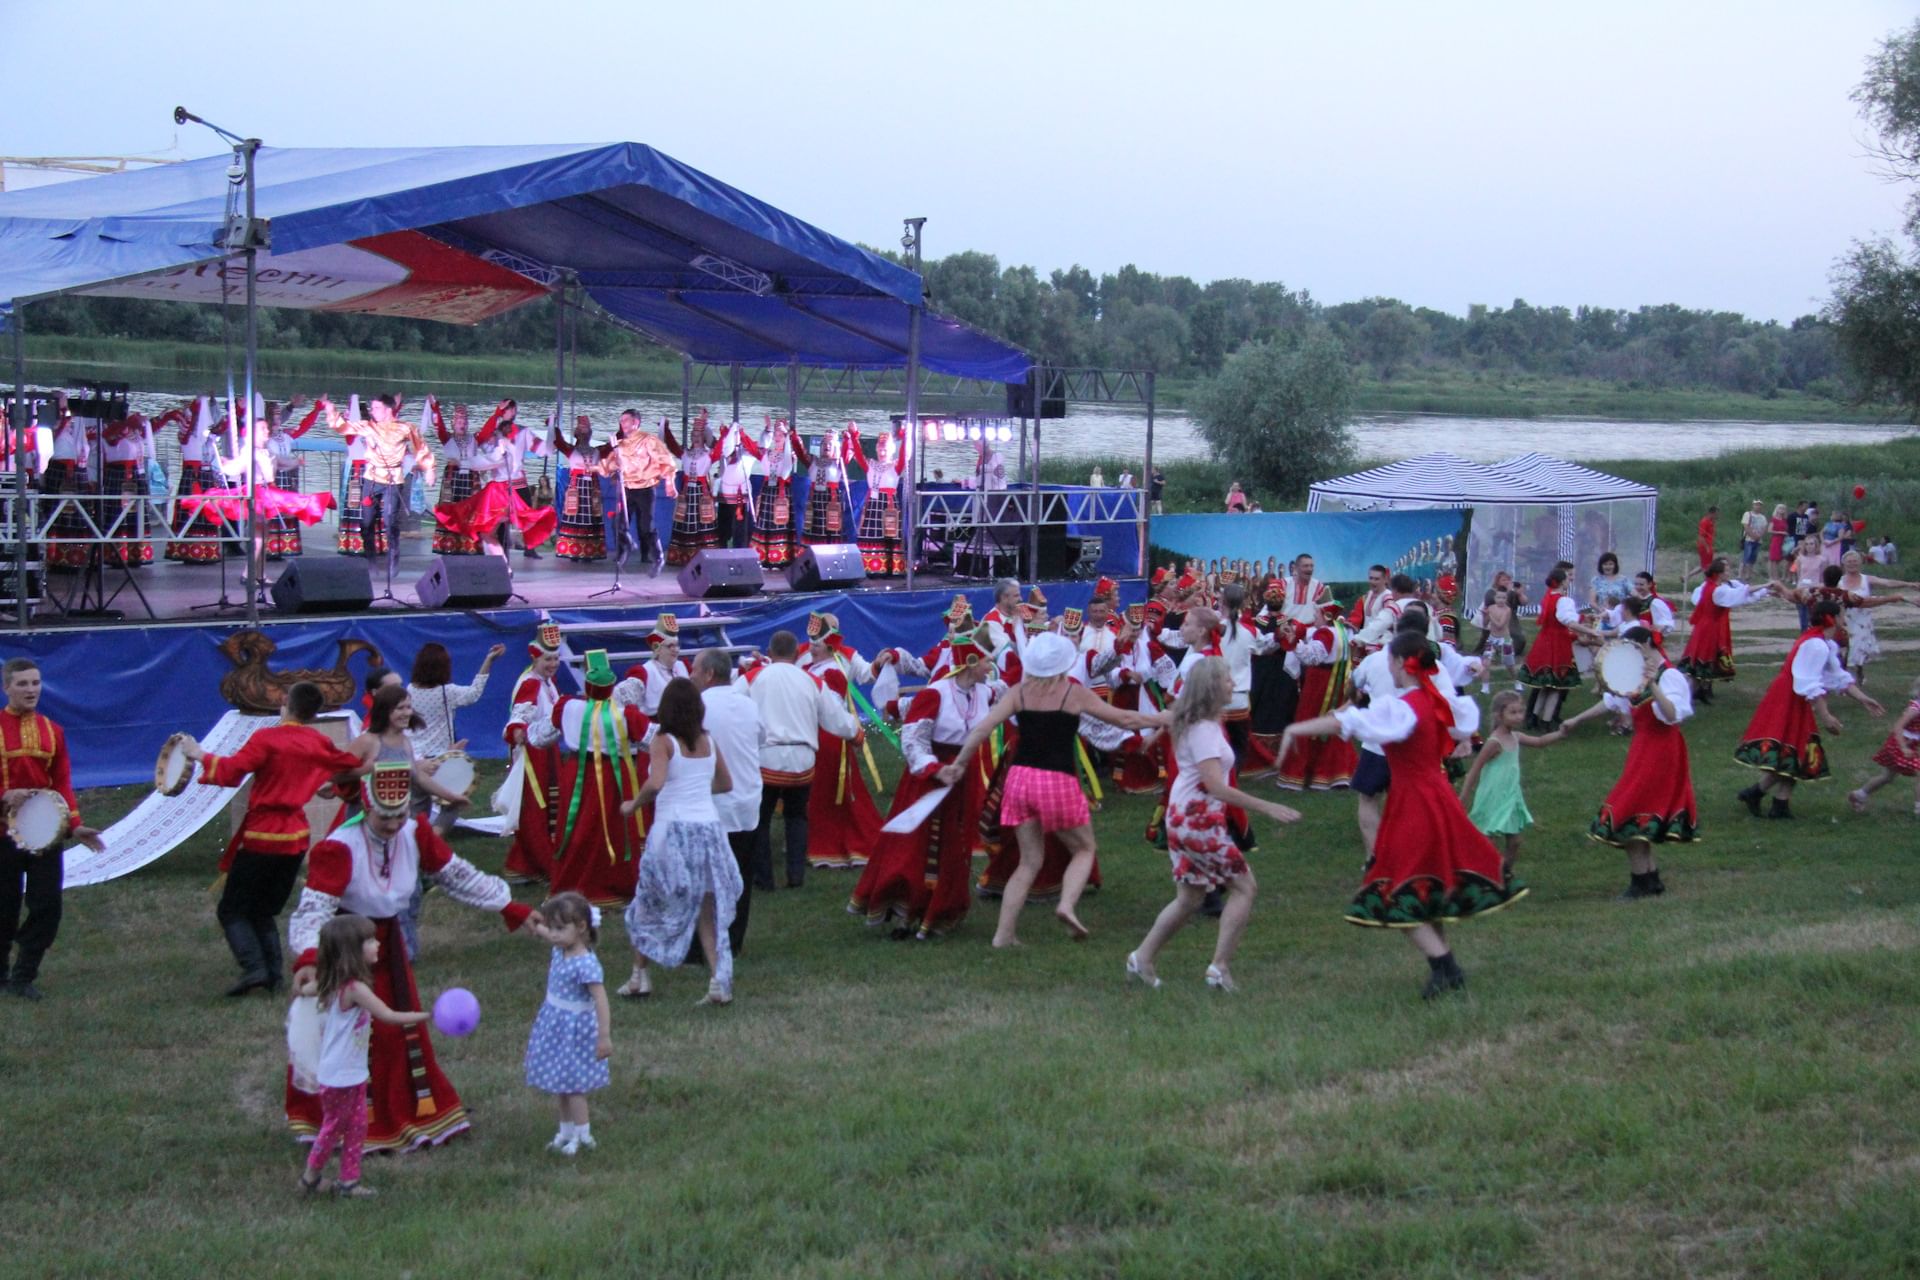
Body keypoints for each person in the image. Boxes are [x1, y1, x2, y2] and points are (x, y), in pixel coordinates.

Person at [287, 762, 533, 1151]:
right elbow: (314, 909)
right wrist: (309, 959)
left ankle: (407, 1110)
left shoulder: (416, 832)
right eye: (385, 816)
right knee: (353, 1035)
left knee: (396, 1035)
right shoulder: (338, 847)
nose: (393, 824)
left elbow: (456, 875)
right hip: (348, 947)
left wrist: (507, 906)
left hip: (388, 945)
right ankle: (351, 1120)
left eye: (399, 814)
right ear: (367, 808)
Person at [1280, 633, 1526, 1000]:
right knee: (1429, 888)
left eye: (1391, 661)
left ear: (1400, 663)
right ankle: (1443, 971)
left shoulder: (1405, 705)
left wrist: (1296, 727)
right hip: (1436, 796)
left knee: (1395, 892)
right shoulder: (1434, 699)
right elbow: (1457, 729)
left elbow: (1349, 722)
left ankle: (1447, 967)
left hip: (1416, 803)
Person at [936, 633, 1162, 947]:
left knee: (1028, 862)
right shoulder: (1074, 693)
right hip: (1058, 782)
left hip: (1019, 781)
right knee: (1083, 849)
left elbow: (982, 728)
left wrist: (960, 762)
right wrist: (1162, 717)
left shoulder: (1018, 692)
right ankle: (1067, 905)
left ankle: (1003, 935)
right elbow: (1124, 718)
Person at [183, 680, 369, 995]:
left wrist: (198, 753)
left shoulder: (268, 739)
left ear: (285, 702)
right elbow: (350, 766)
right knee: (265, 909)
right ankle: (273, 974)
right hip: (296, 839)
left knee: (232, 909)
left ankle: (254, 969)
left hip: (263, 836)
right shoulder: (317, 742)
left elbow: (231, 771)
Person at [1124, 657, 1299, 990]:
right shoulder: (1203, 729)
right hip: (1198, 819)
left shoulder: (1199, 721)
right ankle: (1219, 969)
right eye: (1227, 679)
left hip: (1185, 817)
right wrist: (1267, 806)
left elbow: (1168, 718)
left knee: (1189, 897)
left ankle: (1141, 959)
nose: (1233, 684)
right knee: (1245, 887)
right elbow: (1214, 785)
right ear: (1211, 687)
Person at [849, 628, 998, 938]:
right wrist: (936, 769)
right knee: (915, 845)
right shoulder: (935, 694)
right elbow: (914, 741)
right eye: (986, 661)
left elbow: (1013, 686)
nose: (990, 667)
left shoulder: (984, 692)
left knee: (953, 843)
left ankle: (943, 908)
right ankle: (907, 909)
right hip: (928, 778)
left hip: (962, 777)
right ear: (970, 663)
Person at [622, 677, 743, 1006]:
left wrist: (633, 805)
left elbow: (656, 782)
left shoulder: (663, 740)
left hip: (672, 829)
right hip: (709, 830)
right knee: (707, 909)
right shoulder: (708, 740)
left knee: (647, 901)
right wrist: (700, 792)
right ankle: (718, 980)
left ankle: (638, 976)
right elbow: (726, 783)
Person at [297, 914, 433, 1197]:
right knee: (334, 1127)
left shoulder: (332, 982)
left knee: (357, 1127)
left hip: (350, 1072)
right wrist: (428, 1016)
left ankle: (349, 1181)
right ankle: (310, 1178)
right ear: (351, 952)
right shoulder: (355, 989)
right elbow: (389, 1015)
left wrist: (302, 987)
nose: (377, 943)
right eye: (369, 940)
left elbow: (308, 989)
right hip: (340, 1076)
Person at [1564, 626, 1699, 898]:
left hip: (1662, 750)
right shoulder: (1636, 674)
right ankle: (1650, 879)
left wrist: (1652, 685)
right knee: (1641, 811)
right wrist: (1577, 719)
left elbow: (1673, 715)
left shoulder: (1669, 676)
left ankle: (1641, 883)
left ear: (1648, 644)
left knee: (1628, 810)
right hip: (1644, 748)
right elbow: (1613, 703)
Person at [0, 658, 102, 1001]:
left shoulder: (53, 730)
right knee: (4, 906)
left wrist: (74, 826)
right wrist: (5, 795)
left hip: (45, 833)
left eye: (36, 683)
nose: (31, 690)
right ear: (7, 688)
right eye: (23, 684)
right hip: (2, 835)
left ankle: (24, 974)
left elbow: (62, 782)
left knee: (47, 907)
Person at [1735, 600, 1886, 819]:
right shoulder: (1814, 645)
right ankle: (1772, 802)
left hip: (1794, 697)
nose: (1844, 619)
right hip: (1788, 698)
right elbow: (1809, 682)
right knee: (1792, 750)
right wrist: (1825, 715)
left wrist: (1863, 699)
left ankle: (1768, 799)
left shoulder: (1822, 643)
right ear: (1832, 618)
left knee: (1796, 751)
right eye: (1842, 615)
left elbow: (1837, 677)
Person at [536, 651, 648, 917]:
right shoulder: (625, 715)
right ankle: (612, 883)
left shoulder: (569, 707)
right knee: (614, 828)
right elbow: (650, 738)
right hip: (613, 776)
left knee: (575, 827)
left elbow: (541, 737)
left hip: (578, 775)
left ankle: (571, 881)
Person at [747, 630, 861, 890]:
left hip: (767, 759)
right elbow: (834, 714)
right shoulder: (812, 680)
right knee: (797, 817)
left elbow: (733, 704)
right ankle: (795, 876)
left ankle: (764, 879)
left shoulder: (754, 677)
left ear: (770, 651)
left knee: (761, 820)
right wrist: (855, 733)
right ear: (797, 652)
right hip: (802, 761)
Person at [522, 891, 612, 1157]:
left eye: (560, 928)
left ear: (581, 927)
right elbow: (545, 934)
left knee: (573, 1086)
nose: (555, 934)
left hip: (576, 1031)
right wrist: (533, 923)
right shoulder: (560, 948)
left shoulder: (585, 964)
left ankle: (584, 1136)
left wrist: (604, 1035)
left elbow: (601, 1000)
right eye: (553, 928)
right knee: (559, 1083)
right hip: (555, 1025)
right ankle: (565, 1131)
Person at [795, 613, 884, 871]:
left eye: (821, 639)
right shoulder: (803, 655)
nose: (813, 645)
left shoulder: (844, 659)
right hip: (808, 731)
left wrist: (881, 661)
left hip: (831, 733)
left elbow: (867, 674)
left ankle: (831, 841)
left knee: (833, 790)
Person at [691, 647, 764, 955]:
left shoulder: (698, 707)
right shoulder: (747, 704)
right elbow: (762, 737)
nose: (690, 675)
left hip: (713, 804)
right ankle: (732, 941)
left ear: (709, 674)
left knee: (703, 879)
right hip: (746, 803)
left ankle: (699, 947)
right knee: (740, 877)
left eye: (694, 669)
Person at [319, 395, 436, 585]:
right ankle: (371, 562)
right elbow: (343, 427)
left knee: (390, 522)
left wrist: (429, 469)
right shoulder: (368, 426)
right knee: (366, 524)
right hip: (371, 479)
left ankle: (393, 561)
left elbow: (420, 448)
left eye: (375, 408)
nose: (372, 411)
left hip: (392, 479)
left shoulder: (405, 428)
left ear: (388, 410)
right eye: (371, 408)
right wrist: (330, 410)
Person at [1458, 691, 1564, 880]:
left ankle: (1504, 873)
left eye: (1520, 712)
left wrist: (1561, 733)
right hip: (1493, 796)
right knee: (1489, 839)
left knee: (1515, 841)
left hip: (1511, 796)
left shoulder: (1516, 736)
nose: (1518, 716)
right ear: (1500, 715)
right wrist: (1464, 797)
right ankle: (1483, 877)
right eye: (1513, 712)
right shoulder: (1494, 742)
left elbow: (1539, 742)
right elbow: (1474, 770)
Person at [408, 642, 507, 828]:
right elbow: (474, 693)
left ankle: (416, 843)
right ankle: (434, 840)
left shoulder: (410, 691)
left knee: (417, 809)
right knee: (451, 806)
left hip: (416, 759)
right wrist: (489, 660)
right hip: (441, 759)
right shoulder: (448, 692)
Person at [502, 624, 566, 884]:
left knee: (546, 809)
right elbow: (519, 716)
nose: (553, 664)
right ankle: (540, 863)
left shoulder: (546, 682)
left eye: (556, 658)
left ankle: (524, 864)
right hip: (533, 756)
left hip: (547, 751)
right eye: (548, 659)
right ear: (535, 658)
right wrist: (517, 730)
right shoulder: (530, 684)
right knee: (535, 811)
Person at [1677, 557, 1771, 703]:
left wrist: (1765, 590)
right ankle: (1684, 699)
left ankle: (1698, 692)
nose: (1729, 572)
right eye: (1726, 570)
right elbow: (1741, 593)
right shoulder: (1718, 590)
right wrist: (1767, 584)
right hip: (1709, 629)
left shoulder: (1712, 586)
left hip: (1707, 627)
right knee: (1699, 664)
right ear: (1719, 573)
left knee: (1702, 662)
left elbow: (1741, 592)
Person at [1518, 567, 1602, 730]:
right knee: (1556, 686)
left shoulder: (1549, 596)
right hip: (1557, 644)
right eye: (1567, 578)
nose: (1569, 580)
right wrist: (1590, 630)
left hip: (1544, 641)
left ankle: (1535, 718)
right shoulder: (1564, 600)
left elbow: (1560, 617)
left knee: (1545, 686)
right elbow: (1568, 621)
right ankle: (1547, 721)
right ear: (1563, 581)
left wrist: (1584, 618)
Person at [600, 410, 675, 574]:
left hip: (645, 489)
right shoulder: (620, 444)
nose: (622, 424)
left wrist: (669, 482)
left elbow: (665, 461)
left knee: (646, 525)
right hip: (627, 488)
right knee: (619, 521)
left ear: (635, 423)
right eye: (621, 421)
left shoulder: (648, 441)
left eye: (626, 420)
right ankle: (624, 550)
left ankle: (656, 556)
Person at [1838, 550, 1916, 684]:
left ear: (1860, 563)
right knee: (1846, 649)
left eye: (1855, 561)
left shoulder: (1866, 579)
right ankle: (1846, 680)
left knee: (1859, 647)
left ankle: (1859, 671)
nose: (1852, 564)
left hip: (1862, 620)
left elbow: (1888, 583)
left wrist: (1908, 584)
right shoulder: (1839, 581)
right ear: (1843, 564)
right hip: (1845, 619)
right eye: (1849, 562)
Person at [1849, 677, 1920, 815]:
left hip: (1909, 745)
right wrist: (1903, 747)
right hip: (1900, 744)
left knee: (1888, 777)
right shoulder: (1915, 708)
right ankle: (1918, 808)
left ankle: (1859, 795)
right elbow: (1898, 726)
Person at [664, 410, 721, 565]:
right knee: (685, 521)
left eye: (698, 436)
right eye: (693, 435)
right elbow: (671, 445)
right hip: (687, 492)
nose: (695, 438)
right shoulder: (685, 453)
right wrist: (666, 429)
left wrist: (721, 430)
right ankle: (684, 556)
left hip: (701, 492)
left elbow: (722, 446)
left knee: (704, 521)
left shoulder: (709, 454)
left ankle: (705, 556)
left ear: (703, 437)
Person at [748, 416, 806, 568]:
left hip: (782, 492)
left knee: (780, 522)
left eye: (781, 435)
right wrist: (766, 429)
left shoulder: (789, 455)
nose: (777, 437)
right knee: (765, 522)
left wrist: (790, 436)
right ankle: (763, 557)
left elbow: (789, 461)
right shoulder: (767, 453)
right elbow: (756, 448)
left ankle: (781, 557)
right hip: (768, 490)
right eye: (776, 435)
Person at [551, 416, 607, 562]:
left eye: (586, 431)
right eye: (581, 431)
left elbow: (612, 447)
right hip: (576, 487)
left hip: (591, 487)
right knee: (574, 515)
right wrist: (553, 426)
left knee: (590, 517)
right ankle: (573, 549)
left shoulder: (597, 451)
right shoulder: (571, 450)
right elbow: (558, 442)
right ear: (577, 434)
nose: (584, 434)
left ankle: (589, 550)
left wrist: (620, 433)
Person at [1740, 500, 1768, 572]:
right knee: (1746, 557)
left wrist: (1759, 536)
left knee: (1753, 559)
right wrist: (1753, 536)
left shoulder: (1763, 517)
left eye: (1759, 505)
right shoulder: (1747, 514)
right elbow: (1746, 527)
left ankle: (1749, 574)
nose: (1758, 506)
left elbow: (1765, 528)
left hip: (1758, 540)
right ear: (1753, 505)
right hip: (1748, 539)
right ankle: (1740, 575)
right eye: (1756, 505)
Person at [1767, 503, 1790, 584]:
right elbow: (1769, 530)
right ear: (1777, 509)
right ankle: (1772, 577)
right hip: (1776, 540)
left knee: (1777, 560)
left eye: (1783, 508)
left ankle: (1776, 576)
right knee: (1772, 559)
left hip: (1782, 541)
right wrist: (1780, 532)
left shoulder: (1784, 520)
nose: (1782, 510)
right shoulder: (1774, 519)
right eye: (1780, 508)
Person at [1696, 504, 1717, 574]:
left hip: (1709, 546)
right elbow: (1701, 537)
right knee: (1706, 567)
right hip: (1704, 547)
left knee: (1705, 565)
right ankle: (1707, 581)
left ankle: (1686, 577)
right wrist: (1707, 547)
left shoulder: (1711, 522)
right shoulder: (1704, 522)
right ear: (1712, 513)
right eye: (1716, 514)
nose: (1717, 516)